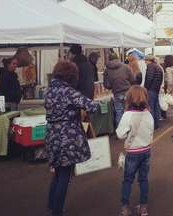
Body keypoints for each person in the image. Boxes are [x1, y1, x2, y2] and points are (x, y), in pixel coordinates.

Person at [45, 61, 99, 216]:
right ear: (72, 76)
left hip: (52, 134)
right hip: (67, 136)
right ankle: (57, 210)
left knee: (57, 171)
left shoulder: (50, 90)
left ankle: (51, 204)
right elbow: (92, 106)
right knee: (64, 174)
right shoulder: (69, 92)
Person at [116, 86, 154, 216]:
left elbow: (120, 134)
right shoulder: (148, 113)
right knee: (143, 179)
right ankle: (143, 208)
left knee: (128, 180)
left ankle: (125, 208)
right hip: (146, 151)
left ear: (129, 98)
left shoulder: (127, 115)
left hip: (132, 152)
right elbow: (150, 132)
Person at [104, 53, 136, 127]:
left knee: (119, 112)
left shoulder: (107, 70)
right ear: (117, 58)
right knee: (129, 111)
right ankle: (130, 128)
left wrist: (112, 85)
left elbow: (107, 85)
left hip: (117, 92)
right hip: (127, 91)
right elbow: (133, 79)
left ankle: (120, 131)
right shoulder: (126, 67)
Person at [143, 55, 164, 130]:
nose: (145, 62)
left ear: (149, 60)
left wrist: (146, 88)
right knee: (156, 107)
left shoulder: (150, 67)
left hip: (151, 89)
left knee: (151, 107)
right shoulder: (158, 67)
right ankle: (157, 123)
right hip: (156, 89)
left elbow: (149, 78)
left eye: (145, 60)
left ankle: (152, 125)